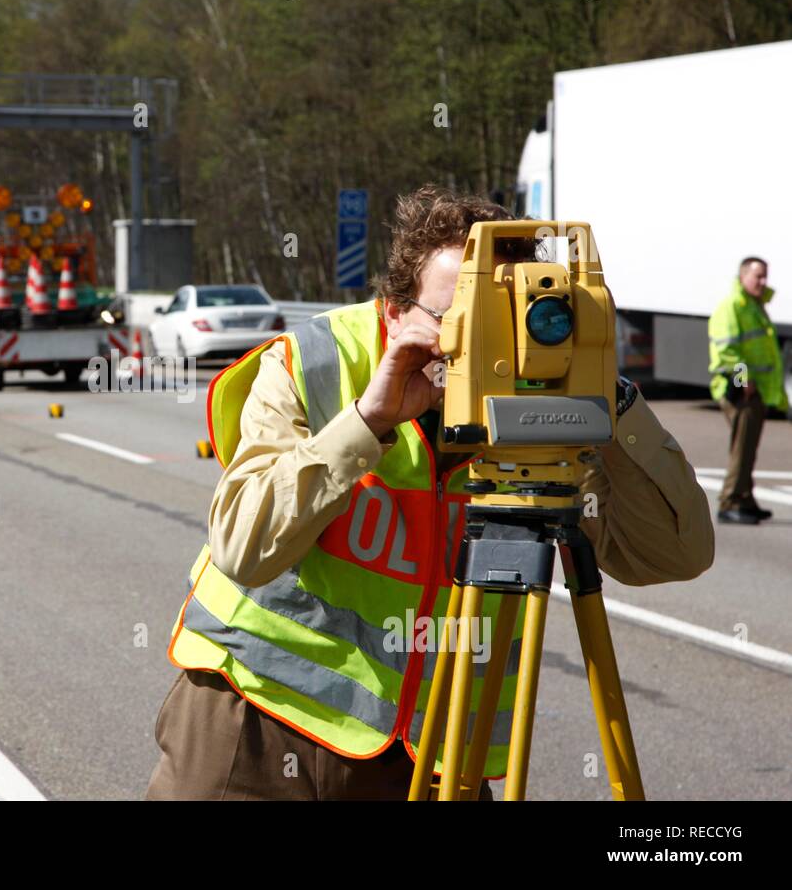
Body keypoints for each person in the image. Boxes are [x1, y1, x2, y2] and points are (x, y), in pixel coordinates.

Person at [146, 185, 715, 801]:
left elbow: (672, 556)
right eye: (461, 322)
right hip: (256, 719)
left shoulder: (552, 408)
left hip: (430, 756)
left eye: (502, 323)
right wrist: (366, 422)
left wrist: (614, 403)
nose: (485, 347)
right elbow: (243, 548)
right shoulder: (316, 363)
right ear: (395, 312)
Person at [707, 257, 787, 525]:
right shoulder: (733, 307)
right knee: (741, 450)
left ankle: (746, 500)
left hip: (755, 391)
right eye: (757, 277)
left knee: (748, 449)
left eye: (765, 276)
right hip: (741, 392)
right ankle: (729, 502)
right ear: (743, 277)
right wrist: (744, 383)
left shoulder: (754, 305)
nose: (762, 282)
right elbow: (728, 352)